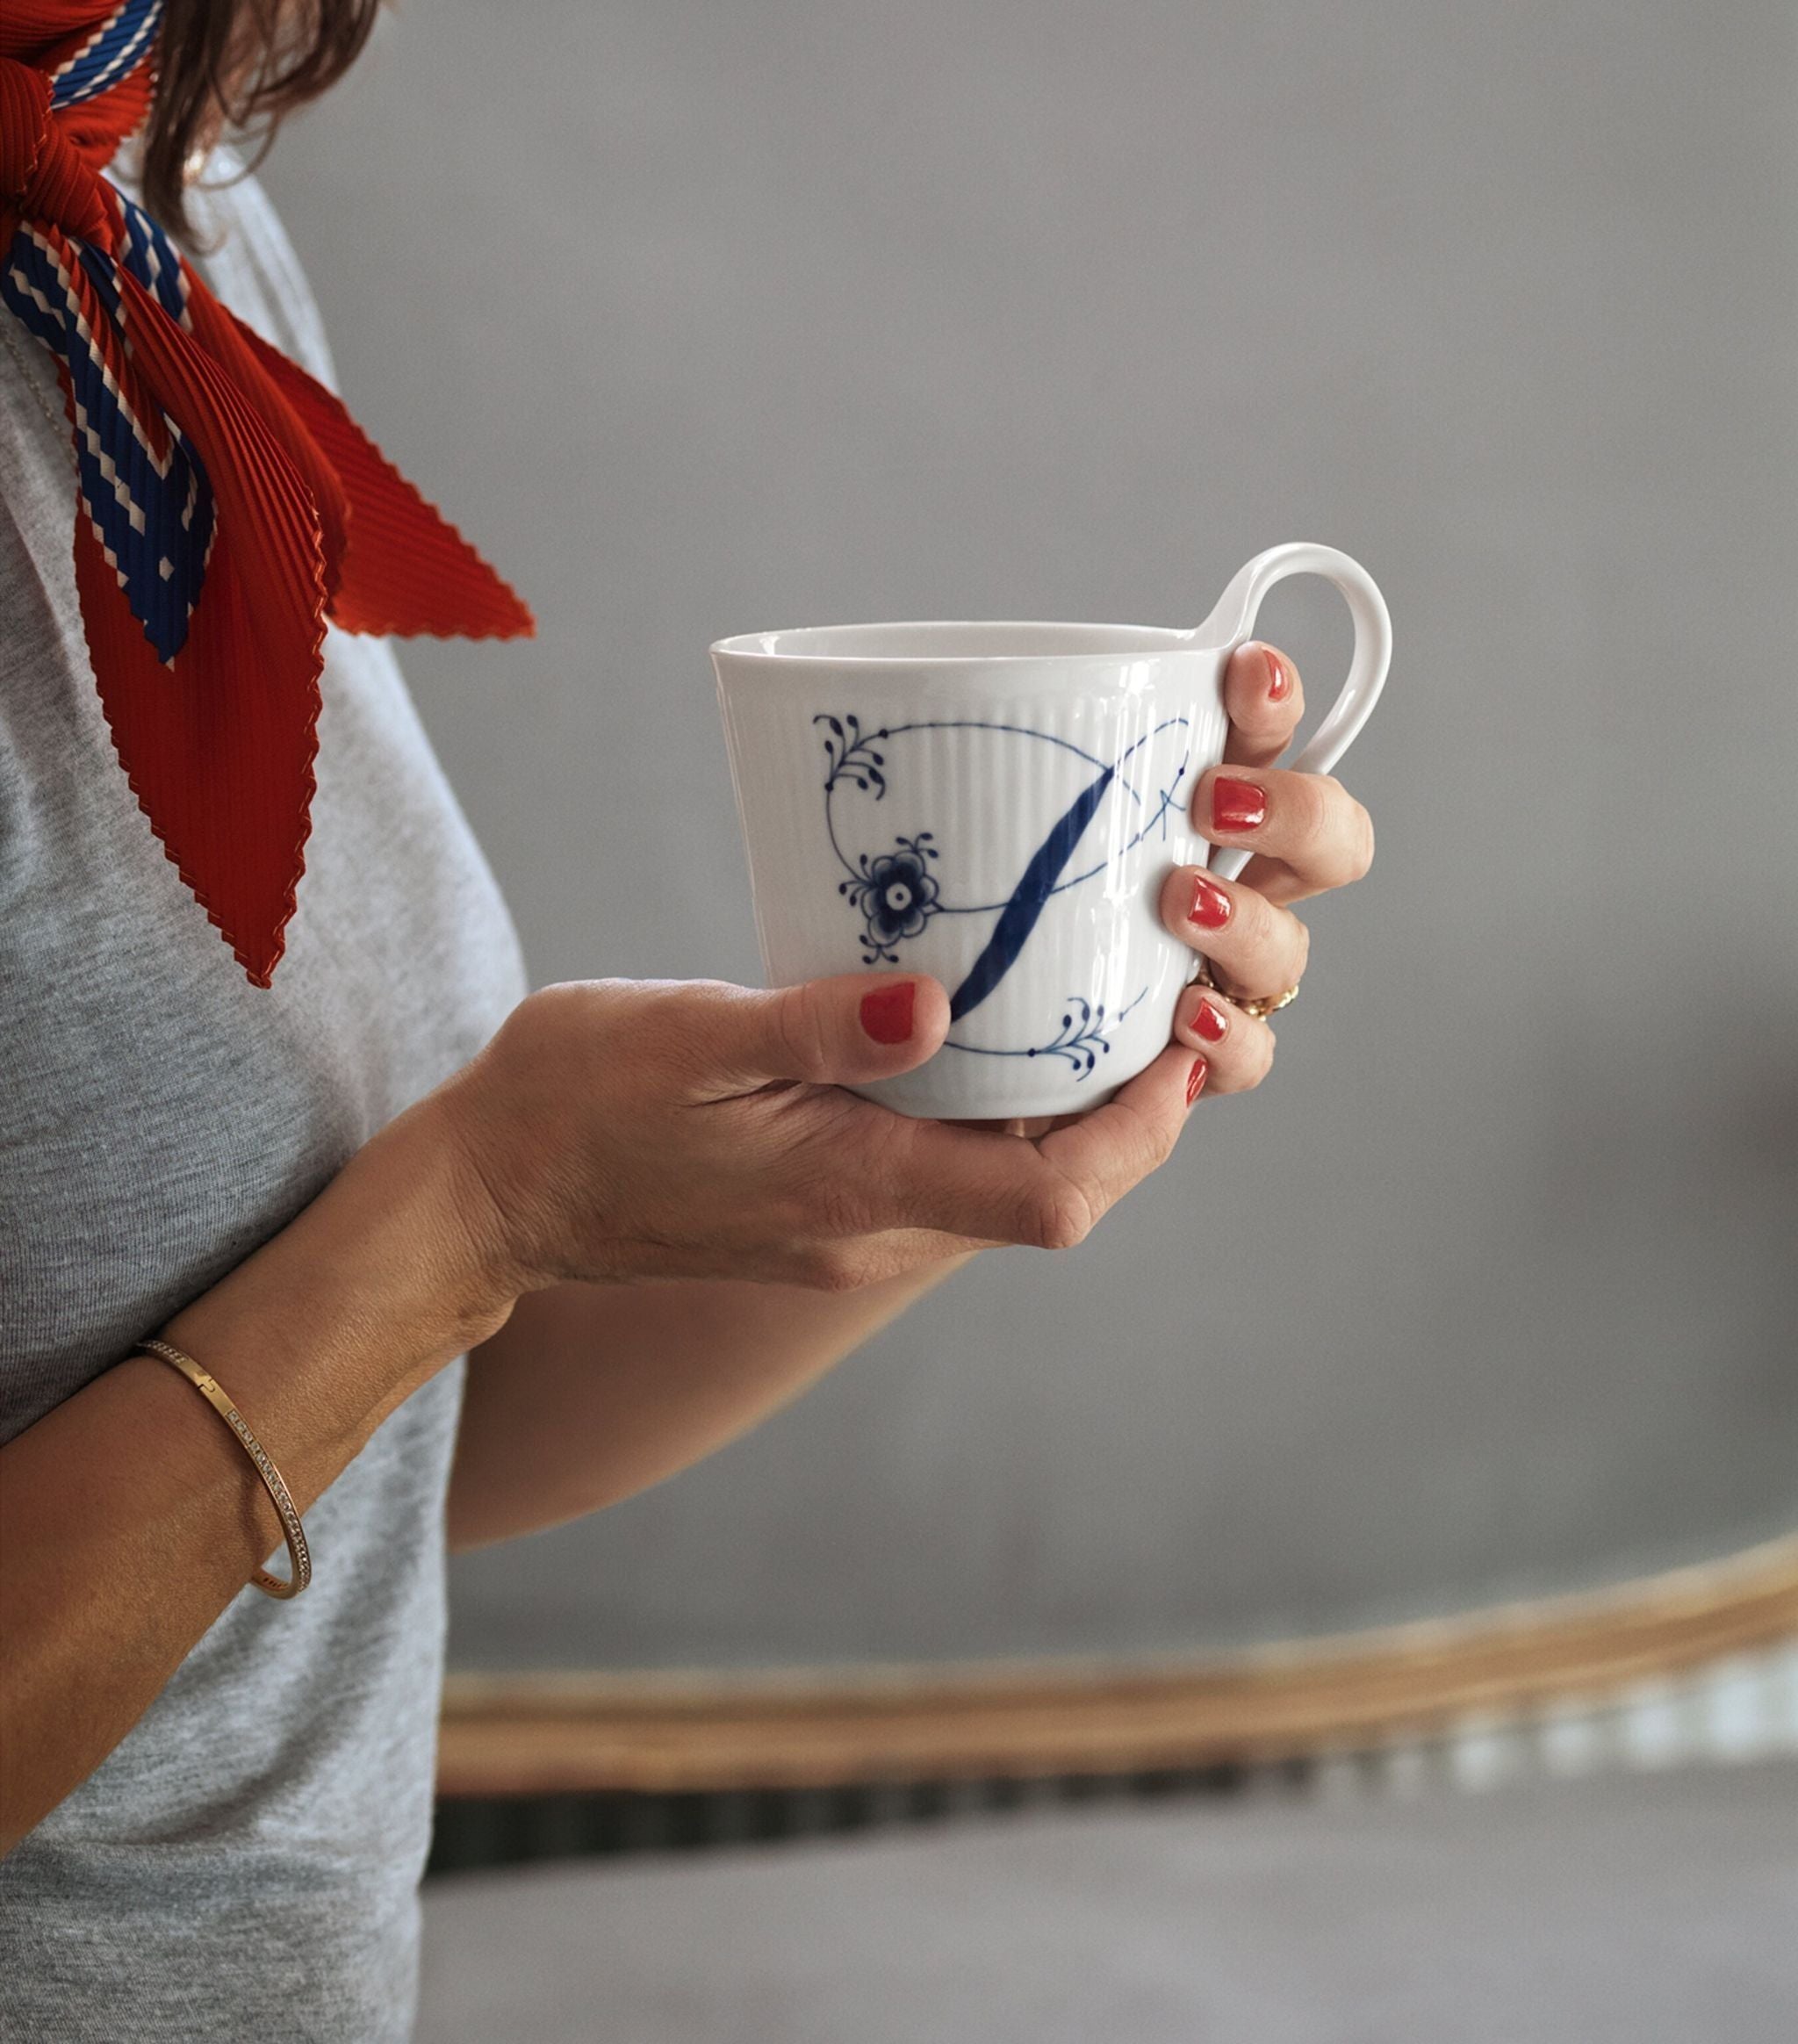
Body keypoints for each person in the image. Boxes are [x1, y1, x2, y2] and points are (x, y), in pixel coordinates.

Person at [0, 3, 1377, 2038]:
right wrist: (462, 1213)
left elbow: (358, 1458)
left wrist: (967, 1125)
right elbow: (396, 1291)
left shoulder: (145, 238)